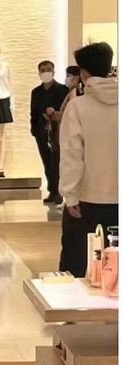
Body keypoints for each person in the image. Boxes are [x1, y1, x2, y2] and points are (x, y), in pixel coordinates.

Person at [59, 42, 118, 277]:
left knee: (76, 263)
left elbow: (72, 155)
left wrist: (70, 193)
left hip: (86, 200)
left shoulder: (77, 107)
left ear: (83, 73)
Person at [30, 60, 68, 205]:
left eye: (48, 69)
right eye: (43, 70)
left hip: (57, 131)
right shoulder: (36, 92)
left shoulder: (62, 90)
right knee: (46, 161)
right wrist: (34, 129)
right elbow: (33, 112)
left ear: (53, 71)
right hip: (41, 131)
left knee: (56, 161)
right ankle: (52, 190)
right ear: (39, 73)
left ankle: (59, 192)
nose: (46, 72)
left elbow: (65, 111)